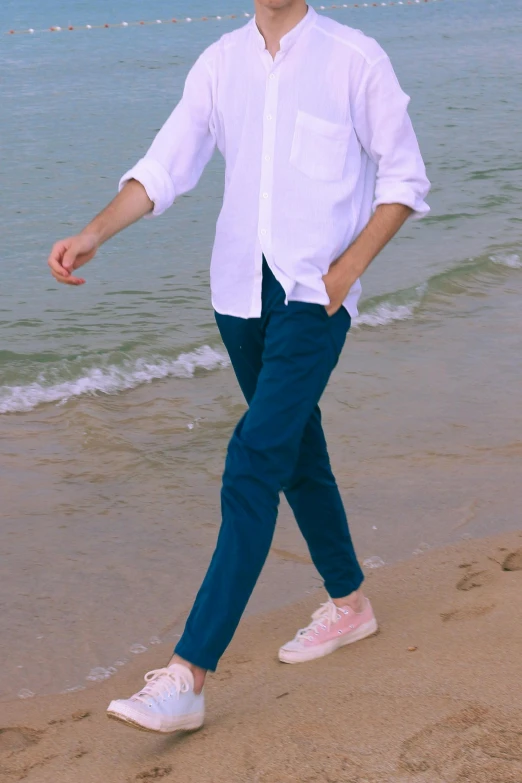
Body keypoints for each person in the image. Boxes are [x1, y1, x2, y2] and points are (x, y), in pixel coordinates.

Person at [48, 0, 430, 735]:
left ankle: (188, 673)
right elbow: (166, 165)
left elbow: (404, 179)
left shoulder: (355, 57)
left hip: (312, 297)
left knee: (253, 460)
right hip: (237, 295)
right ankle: (349, 603)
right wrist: (95, 230)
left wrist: (347, 271)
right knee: (295, 452)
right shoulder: (220, 63)